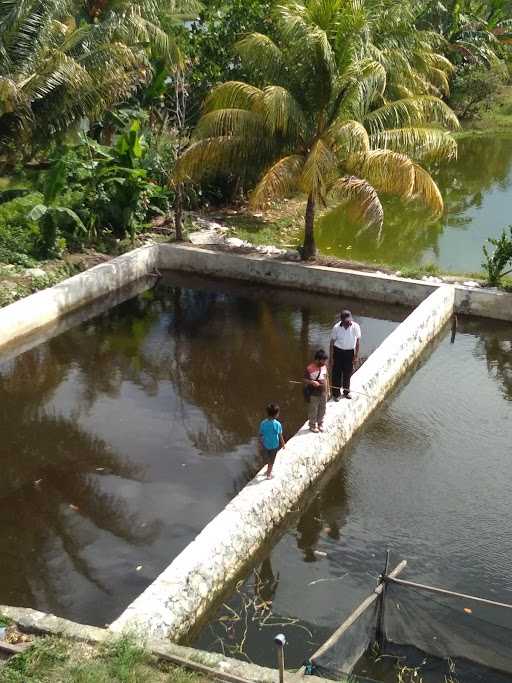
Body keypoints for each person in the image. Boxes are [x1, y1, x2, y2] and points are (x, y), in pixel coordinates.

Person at [329, 309, 361, 400]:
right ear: (342, 320)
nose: (349, 322)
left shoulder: (355, 326)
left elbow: (358, 342)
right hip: (338, 352)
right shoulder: (336, 328)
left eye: (350, 320)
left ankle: (346, 392)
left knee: (347, 372)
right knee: (336, 374)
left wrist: (356, 356)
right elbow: (332, 343)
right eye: (346, 321)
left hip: (349, 352)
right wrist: (331, 357)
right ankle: (336, 394)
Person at [304, 349, 329, 433]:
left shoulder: (324, 367)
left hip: (323, 392)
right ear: (317, 359)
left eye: (325, 361)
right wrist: (312, 382)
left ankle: (320, 423)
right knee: (313, 409)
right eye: (323, 361)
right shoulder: (309, 368)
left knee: (323, 408)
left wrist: (328, 390)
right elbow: (304, 379)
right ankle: (312, 425)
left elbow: (326, 378)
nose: (324, 362)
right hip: (313, 393)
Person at [259, 403, 286, 479]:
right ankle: (268, 474)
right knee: (272, 460)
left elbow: (260, 435)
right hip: (274, 445)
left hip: (266, 444)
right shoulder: (277, 424)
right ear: (276, 414)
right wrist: (283, 443)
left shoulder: (263, 423)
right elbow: (280, 435)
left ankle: (268, 470)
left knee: (268, 458)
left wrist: (260, 443)